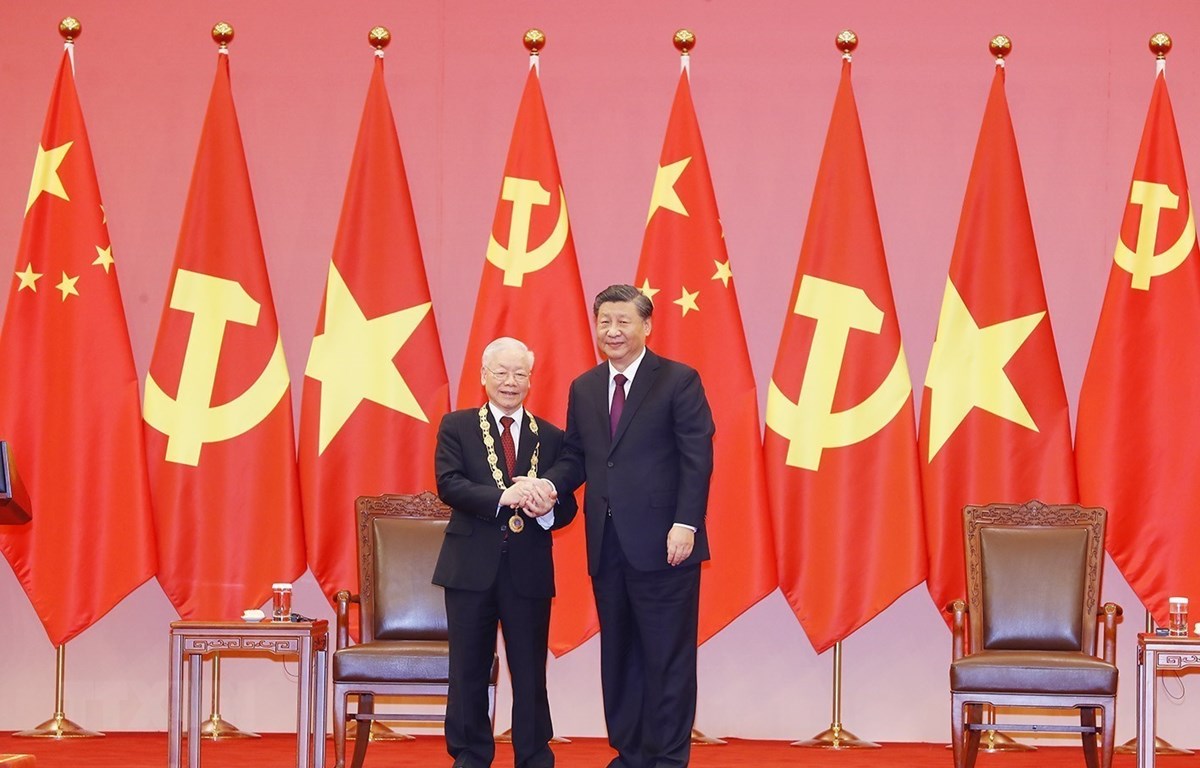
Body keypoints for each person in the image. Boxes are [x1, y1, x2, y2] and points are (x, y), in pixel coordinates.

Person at [531, 284, 715, 768]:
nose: (612, 331)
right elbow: (577, 456)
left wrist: (686, 523)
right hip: (607, 544)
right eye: (604, 321)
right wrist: (549, 485)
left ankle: (668, 758)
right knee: (619, 655)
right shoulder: (585, 387)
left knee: (667, 657)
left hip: (666, 543)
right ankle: (631, 754)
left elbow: (697, 457)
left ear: (646, 326)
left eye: (623, 321)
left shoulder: (678, 380)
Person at [433, 336, 576, 768]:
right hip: (469, 567)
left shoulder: (551, 436)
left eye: (519, 374)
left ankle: (534, 756)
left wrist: (546, 510)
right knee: (468, 669)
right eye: (501, 372)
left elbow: (568, 506)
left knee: (530, 671)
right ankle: (470, 755)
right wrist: (504, 497)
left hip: (528, 570)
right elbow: (449, 484)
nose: (510, 382)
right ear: (484, 376)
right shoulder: (456, 426)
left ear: (530, 380)